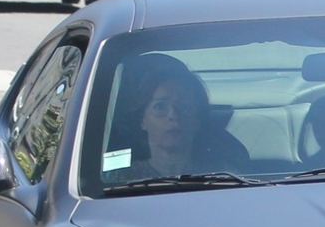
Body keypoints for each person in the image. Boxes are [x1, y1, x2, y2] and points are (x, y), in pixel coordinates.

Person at [105, 56, 252, 181]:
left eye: (185, 107)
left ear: (197, 120)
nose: (173, 115)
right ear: (143, 119)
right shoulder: (118, 180)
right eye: (160, 106)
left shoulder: (225, 179)